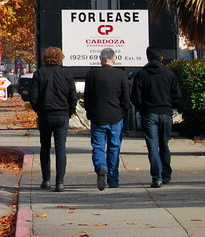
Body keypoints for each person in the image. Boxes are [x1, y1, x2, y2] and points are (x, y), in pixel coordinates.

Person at [131, 46, 182, 188]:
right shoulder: (169, 74)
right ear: (161, 58)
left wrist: (142, 108)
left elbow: (135, 96)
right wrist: (172, 107)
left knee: (152, 146)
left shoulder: (141, 74)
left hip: (149, 114)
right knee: (164, 144)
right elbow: (177, 95)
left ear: (147, 58)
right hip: (166, 113)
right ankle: (166, 174)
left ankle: (156, 177)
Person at [30, 47, 77, 192]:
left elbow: (33, 97)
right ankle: (60, 182)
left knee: (45, 147)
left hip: (45, 114)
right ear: (60, 58)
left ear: (45, 58)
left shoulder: (40, 74)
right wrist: (70, 111)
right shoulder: (67, 74)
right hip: (62, 114)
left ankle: (46, 180)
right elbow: (72, 96)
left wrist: (39, 110)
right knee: (60, 148)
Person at [84, 48, 130, 190]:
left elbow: (87, 97)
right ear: (114, 60)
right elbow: (125, 98)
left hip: (98, 117)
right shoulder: (121, 75)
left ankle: (100, 166)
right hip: (116, 117)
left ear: (101, 60)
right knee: (114, 148)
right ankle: (113, 179)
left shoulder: (92, 74)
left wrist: (90, 111)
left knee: (98, 146)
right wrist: (123, 111)